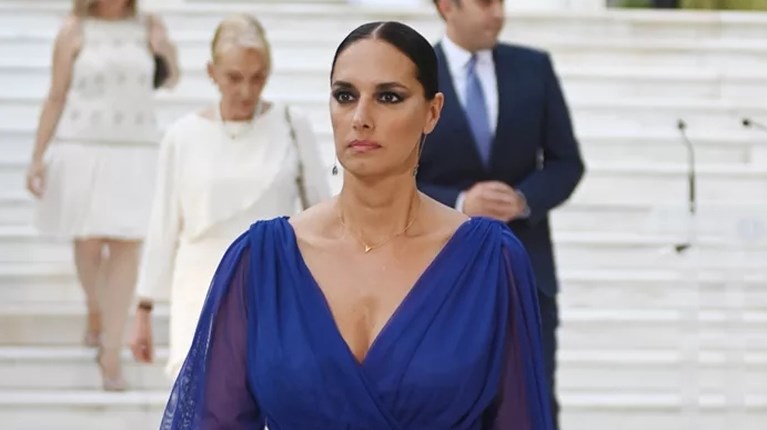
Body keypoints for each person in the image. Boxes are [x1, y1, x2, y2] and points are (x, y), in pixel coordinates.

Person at [159, 21, 552, 429]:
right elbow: (215, 421)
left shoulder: (491, 263)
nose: (361, 118)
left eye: (388, 97)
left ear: (432, 112)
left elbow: (517, 419)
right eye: (345, 96)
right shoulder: (260, 261)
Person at [129, 14, 331, 379]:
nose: (247, 91)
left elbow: (322, 212)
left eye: (258, 77)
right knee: (203, 395)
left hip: (271, 283)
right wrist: (144, 307)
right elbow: (163, 223)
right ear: (212, 72)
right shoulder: (183, 136)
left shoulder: (291, 124)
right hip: (199, 286)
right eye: (234, 78)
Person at [417, 1, 585, 427]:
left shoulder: (534, 68)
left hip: (526, 271)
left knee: (532, 405)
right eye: (485, 2)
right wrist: (459, 202)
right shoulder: (415, 73)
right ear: (447, 6)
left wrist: (524, 200)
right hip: (441, 273)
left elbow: (567, 162)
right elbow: (396, 174)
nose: (498, 13)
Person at [25, 0, 179, 391]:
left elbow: (171, 79)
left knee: (127, 247)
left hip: (134, 148)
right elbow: (56, 94)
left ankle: (111, 351)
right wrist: (37, 156)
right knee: (89, 243)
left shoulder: (148, 24)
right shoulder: (74, 29)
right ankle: (95, 307)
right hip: (82, 147)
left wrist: (163, 48)